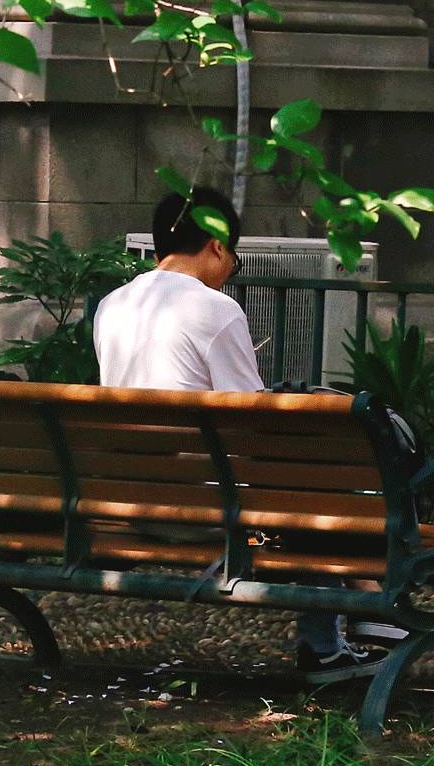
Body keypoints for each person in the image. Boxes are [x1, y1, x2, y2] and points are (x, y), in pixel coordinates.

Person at [92, 188, 390, 684]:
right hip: (206, 508)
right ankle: (352, 620)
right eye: (233, 253)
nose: (232, 267)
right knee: (313, 474)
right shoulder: (216, 310)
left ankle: (361, 608)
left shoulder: (112, 305)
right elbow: (253, 428)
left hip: (131, 501)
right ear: (214, 245)